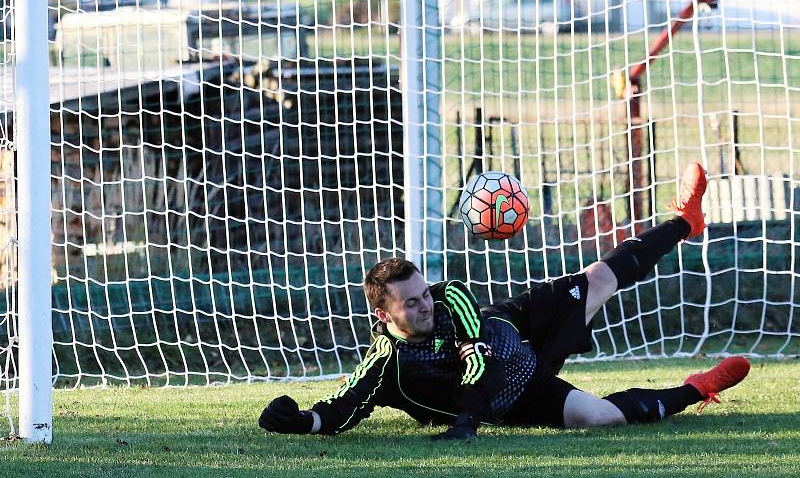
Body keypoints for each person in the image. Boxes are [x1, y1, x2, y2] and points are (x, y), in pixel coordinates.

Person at [258, 162, 751, 440]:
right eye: (410, 304)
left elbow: (477, 357)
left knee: (599, 276)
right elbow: (347, 405)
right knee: (599, 418)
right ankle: (697, 387)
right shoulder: (387, 362)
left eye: (423, 294)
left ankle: (686, 221)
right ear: (382, 314)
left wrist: (467, 421)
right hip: (513, 395)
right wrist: (300, 420)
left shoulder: (452, 298)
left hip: (514, 329)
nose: (425, 306)